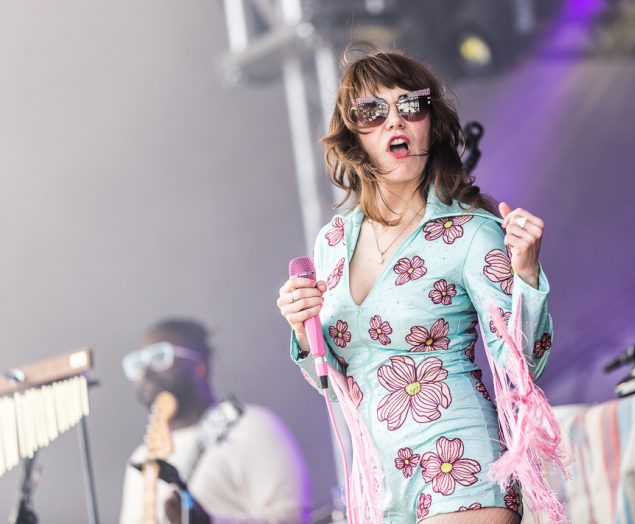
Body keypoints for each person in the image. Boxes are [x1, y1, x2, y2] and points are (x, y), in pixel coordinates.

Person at [277, 43, 565, 524]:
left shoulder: (471, 232)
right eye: (372, 111)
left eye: (411, 105)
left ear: (430, 123)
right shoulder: (332, 241)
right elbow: (334, 379)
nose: (395, 120)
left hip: (461, 463)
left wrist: (527, 274)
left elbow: (523, 363)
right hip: (380, 481)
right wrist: (301, 326)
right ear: (353, 135)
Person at [119, 318, 311, 524]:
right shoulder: (141, 457)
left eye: (159, 357)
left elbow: (294, 518)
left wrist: (210, 522)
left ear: (200, 366)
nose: (145, 372)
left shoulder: (250, 427)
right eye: (137, 363)